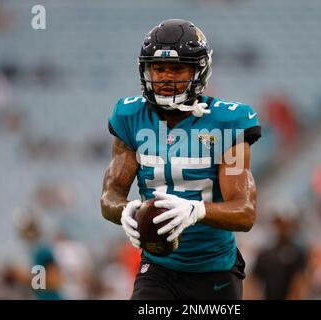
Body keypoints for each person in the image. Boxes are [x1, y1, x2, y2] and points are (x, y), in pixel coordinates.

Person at [100, 19, 261, 300]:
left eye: (177, 68)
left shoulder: (228, 122)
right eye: (158, 68)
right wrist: (126, 210)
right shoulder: (130, 116)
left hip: (215, 269)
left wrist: (195, 211)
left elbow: (245, 212)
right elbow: (110, 196)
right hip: (158, 267)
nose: (164, 77)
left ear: (199, 71)